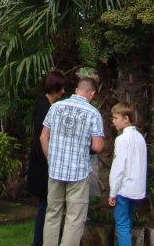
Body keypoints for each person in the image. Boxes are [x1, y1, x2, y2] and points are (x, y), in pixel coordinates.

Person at [40, 77, 105, 246]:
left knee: (52, 213)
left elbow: (43, 136)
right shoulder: (93, 113)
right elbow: (98, 146)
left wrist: (51, 159)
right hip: (78, 172)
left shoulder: (56, 107)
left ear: (77, 90)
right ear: (92, 93)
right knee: (74, 218)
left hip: (55, 170)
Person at [27, 70, 66, 246]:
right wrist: (51, 160)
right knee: (45, 205)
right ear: (54, 88)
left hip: (47, 161)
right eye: (61, 88)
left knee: (48, 204)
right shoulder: (43, 106)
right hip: (43, 162)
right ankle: (38, 241)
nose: (63, 92)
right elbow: (43, 136)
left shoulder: (51, 105)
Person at [108, 102, 146, 246]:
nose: (113, 121)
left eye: (115, 118)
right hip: (137, 188)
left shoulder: (121, 140)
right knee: (128, 221)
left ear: (126, 119)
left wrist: (113, 192)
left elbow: (118, 168)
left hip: (124, 188)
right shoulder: (140, 137)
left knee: (122, 224)